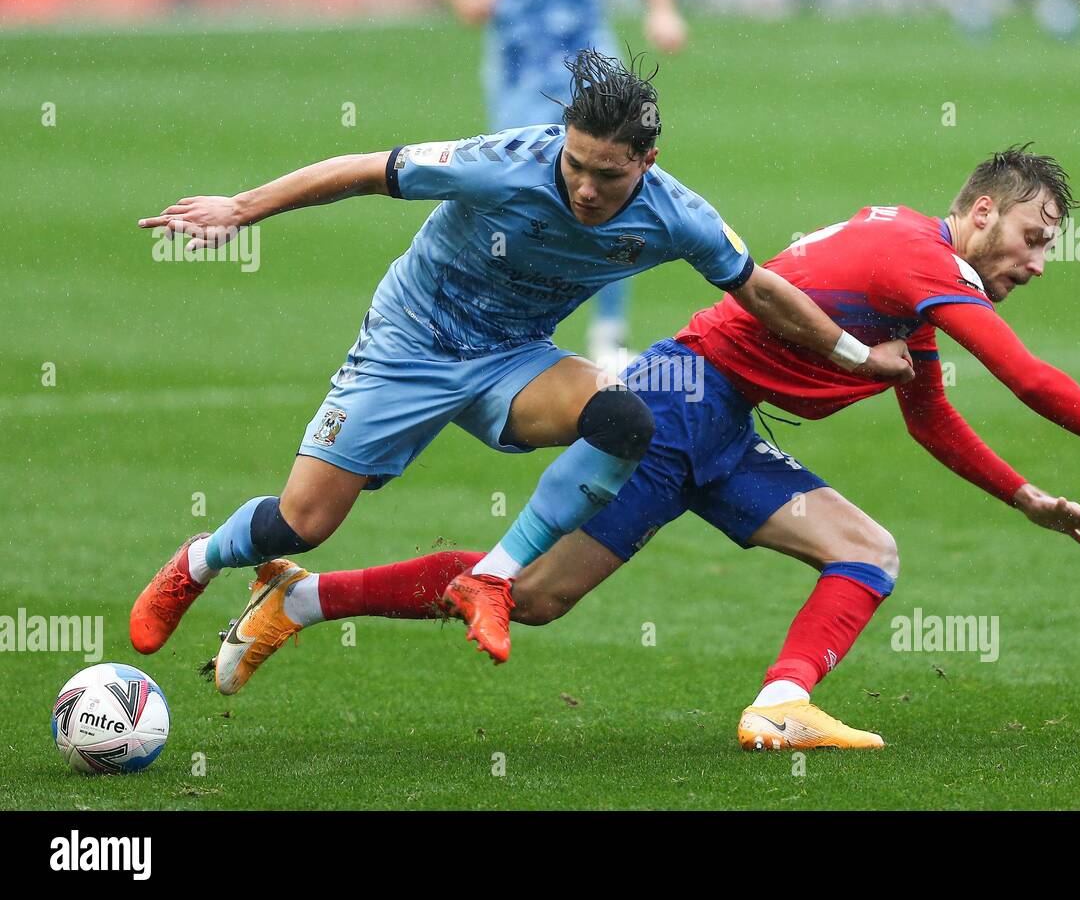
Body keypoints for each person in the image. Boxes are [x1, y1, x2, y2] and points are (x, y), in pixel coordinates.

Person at [208, 146, 1080, 751]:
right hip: (674, 399)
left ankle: (781, 703)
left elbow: (927, 411)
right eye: (1034, 234)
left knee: (867, 549)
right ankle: (296, 598)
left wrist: (1024, 496)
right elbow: (1026, 377)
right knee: (532, 596)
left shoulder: (918, 272)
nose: (1039, 259)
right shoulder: (915, 257)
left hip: (725, 419)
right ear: (977, 213)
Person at [128, 50, 914, 667]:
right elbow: (368, 170)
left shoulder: (680, 217)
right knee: (303, 523)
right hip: (408, 346)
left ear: (646, 160)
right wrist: (242, 208)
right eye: (574, 165)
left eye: (606, 175)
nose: (583, 188)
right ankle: (198, 561)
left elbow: (762, 290)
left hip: (512, 360)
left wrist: (854, 354)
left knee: (622, 418)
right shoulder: (501, 161)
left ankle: (492, 577)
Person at [422, 0, 689, 369]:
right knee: (515, 188)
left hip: (591, 55)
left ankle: (609, 334)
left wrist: (661, 9)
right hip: (520, 62)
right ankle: (493, 320)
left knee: (616, 184)